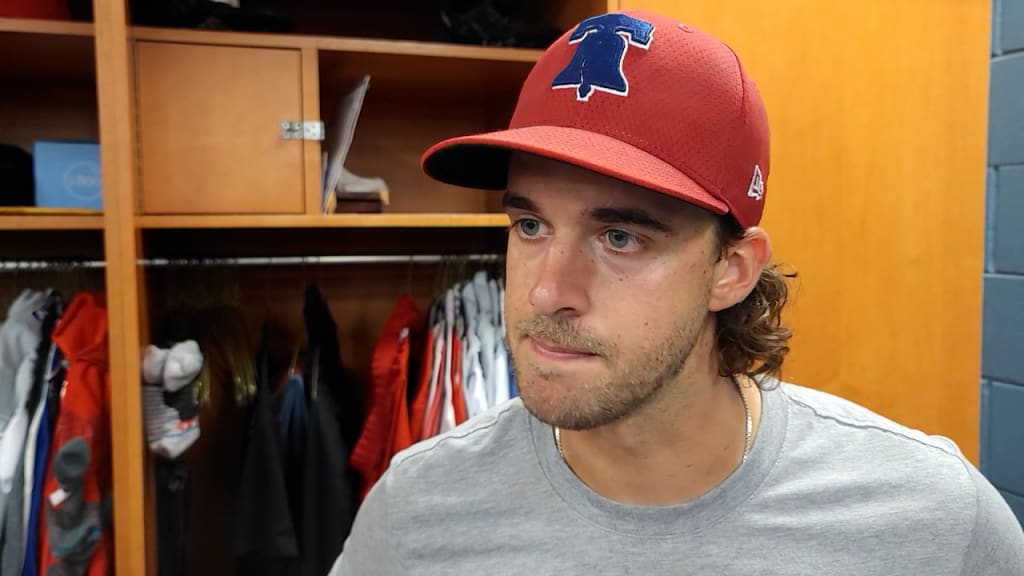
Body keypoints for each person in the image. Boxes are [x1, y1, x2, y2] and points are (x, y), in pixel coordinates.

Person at [330, 8, 1024, 575]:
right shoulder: (419, 513)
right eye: (531, 225)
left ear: (732, 270)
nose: (545, 293)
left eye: (620, 237)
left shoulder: (928, 522)